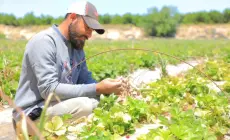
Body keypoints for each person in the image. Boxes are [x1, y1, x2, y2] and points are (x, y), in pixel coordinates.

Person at [12, 0, 123, 133]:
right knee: (85, 105)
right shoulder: (45, 41)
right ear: (73, 17)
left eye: (92, 30)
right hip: (30, 116)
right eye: (87, 28)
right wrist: (97, 88)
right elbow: (49, 90)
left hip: (58, 107)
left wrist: (107, 89)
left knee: (103, 102)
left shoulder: (77, 46)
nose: (89, 35)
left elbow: (86, 80)